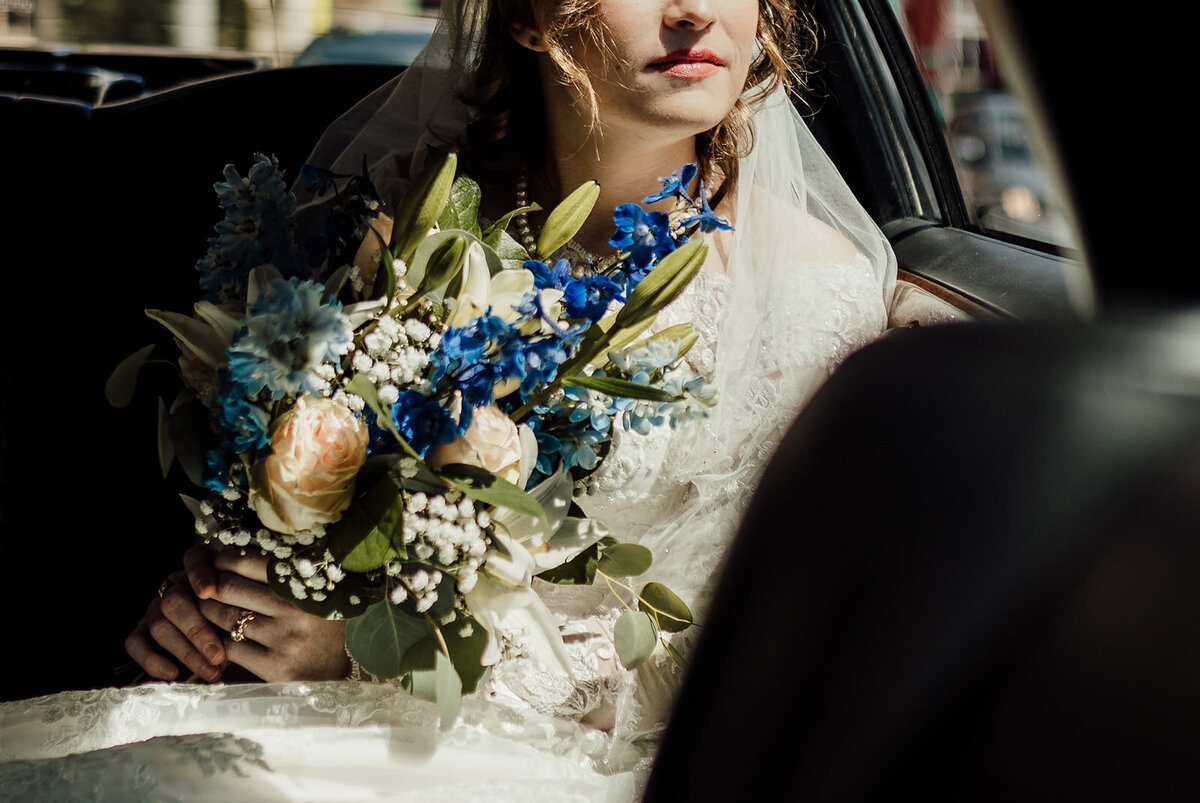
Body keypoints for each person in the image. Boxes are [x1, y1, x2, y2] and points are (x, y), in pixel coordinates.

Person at [0, 0, 895, 797]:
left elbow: (752, 657)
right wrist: (221, 604)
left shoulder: (812, 291)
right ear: (527, 19)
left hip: (566, 754)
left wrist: (371, 651)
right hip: (305, 705)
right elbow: (298, 491)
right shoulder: (397, 231)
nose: (696, 11)